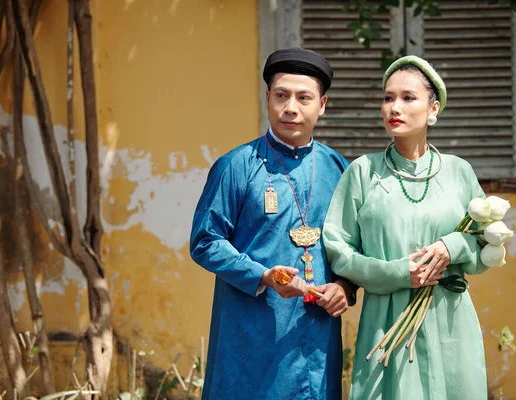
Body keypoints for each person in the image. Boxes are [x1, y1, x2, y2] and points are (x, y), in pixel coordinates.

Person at [190, 47, 358, 400]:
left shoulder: (340, 169)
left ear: (322, 105)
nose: (291, 108)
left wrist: (344, 287)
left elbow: (355, 246)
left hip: (317, 333)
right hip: (252, 328)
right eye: (281, 95)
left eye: (304, 97)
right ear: (268, 98)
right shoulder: (237, 165)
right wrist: (263, 276)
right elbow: (205, 241)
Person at [323, 55, 490, 400]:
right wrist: (399, 273)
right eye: (388, 97)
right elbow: (339, 251)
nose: (393, 107)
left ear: (433, 110)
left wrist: (452, 246)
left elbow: (484, 247)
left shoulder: (459, 172)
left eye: (407, 98)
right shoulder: (362, 172)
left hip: (449, 318)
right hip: (387, 319)